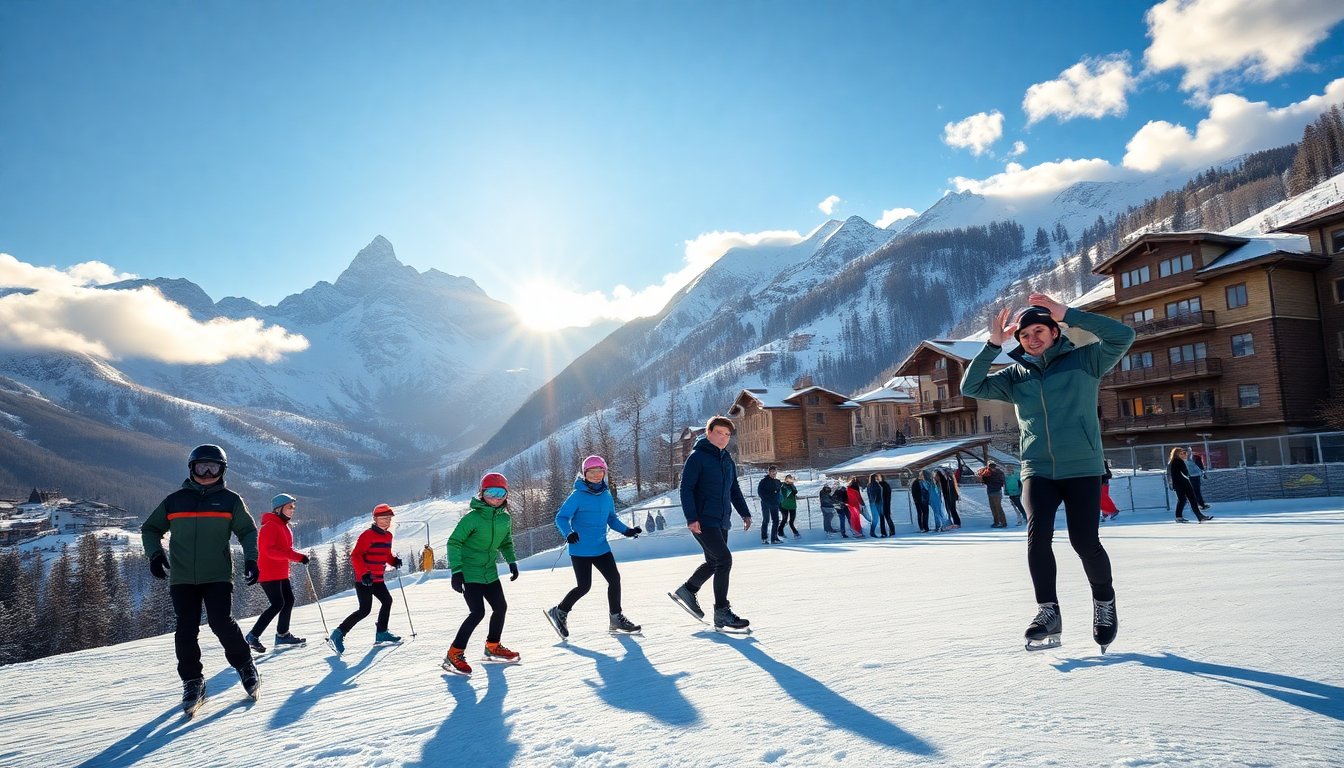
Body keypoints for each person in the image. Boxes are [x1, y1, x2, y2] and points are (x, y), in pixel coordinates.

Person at [961, 293, 1136, 653]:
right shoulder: (1015, 375)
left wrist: (1069, 313)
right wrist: (993, 345)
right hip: (1037, 468)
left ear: (1055, 332)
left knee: (1084, 541)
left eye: (1040, 330)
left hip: (1082, 466)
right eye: (1025, 335)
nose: (1032, 339)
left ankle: (1104, 601)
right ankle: (1048, 611)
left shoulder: (1085, 360)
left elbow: (1123, 336)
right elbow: (970, 387)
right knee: (1037, 537)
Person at [140, 444, 260, 714]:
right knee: (185, 630)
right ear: (191, 469)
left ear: (223, 470)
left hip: (217, 574)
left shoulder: (231, 500)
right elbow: (150, 528)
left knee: (221, 622)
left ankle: (244, 665)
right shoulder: (175, 500)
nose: (207, 472)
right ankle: (193, 681)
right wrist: (155, 555)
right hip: (182, 577)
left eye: (213, 467)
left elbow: (247, 531)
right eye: (201, 466)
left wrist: (251, 558)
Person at [669, 416, 753, 632]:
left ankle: (688, 590)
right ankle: (722, 612)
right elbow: (685, 489)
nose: (724, 438)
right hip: (703, 519)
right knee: (724, 559)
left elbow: (733, 489)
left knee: (714, 562)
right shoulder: (697, 457)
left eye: (727, 434)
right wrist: (691, 518)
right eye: (719, 432)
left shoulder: (727, 460)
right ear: (708, 433)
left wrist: (744, 512)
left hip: (721, 519)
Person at [545, 456, 642, 640]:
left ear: (604, 473)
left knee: (614, 579)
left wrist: (627, 531)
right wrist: (568, 533)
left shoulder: (606, 495)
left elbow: (611, 518)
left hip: (601, 547)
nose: (596, 476)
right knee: (584, 586)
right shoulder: (577, 496)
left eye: (600, 472)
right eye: (591, 472)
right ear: (584, 474)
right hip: (580, 549)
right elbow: (561, 517)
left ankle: (616, 618)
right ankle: (560, 611)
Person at [442, 473, 521, 675]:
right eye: (491, 492)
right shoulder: (472, 518)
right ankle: (454, 653)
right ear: (482, 494)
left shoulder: (505, 518)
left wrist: (512, 561)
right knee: (477, 612)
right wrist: (456, 571)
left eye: (501, 493)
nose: (496, 497)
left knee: (500, 607)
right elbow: (454, 542)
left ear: (506, 495)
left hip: (489, 571)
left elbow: (506, 541)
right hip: (469, 572)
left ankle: (493, 646)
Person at [329, 504, 404, 653]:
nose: (386, 521)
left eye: (389, 518)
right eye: (383, 518)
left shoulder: (388, 536)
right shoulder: (367, 535)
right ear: (375, 519)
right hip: (364, 579)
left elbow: (386, 554)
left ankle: (382, 633)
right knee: (364, 610)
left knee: (387, 601)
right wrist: (363, 573)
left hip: (377, 579)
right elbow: (356, 555)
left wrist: (393, 560)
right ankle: (338, 634)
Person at [244, 493, 310, 654]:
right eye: (289, 507)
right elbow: (270, 551)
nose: (292, 510)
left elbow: (285, 549)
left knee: (288, 600)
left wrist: (298, 557)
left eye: (293, 507)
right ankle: (253, 636)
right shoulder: (270, 526)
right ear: (278, 509)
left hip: (280, 572)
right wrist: (297, 557)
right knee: (277, 603)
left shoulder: (283, 525)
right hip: (268, 572)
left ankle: (282, 634)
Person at [1168, 448, 1213, 523]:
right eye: (1182, 453)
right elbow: (1185, 473)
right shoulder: (1179, 461)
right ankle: (1199, 516)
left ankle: (1179, 517)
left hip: (1178, 484)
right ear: (1177, 454)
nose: (1185, 455)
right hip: (1183, 483)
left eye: (1184, 453)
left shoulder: (1172, 461)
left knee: (1182, 500)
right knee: (1192, 499)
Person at [757, 465, 783, 545]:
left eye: (774, 472)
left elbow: (780, 492)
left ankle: (774, 538)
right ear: (769, 472)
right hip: (766, 504)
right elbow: (760, 492)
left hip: (774, 504)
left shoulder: (778, 482)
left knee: (775, 521)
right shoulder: (764, 481)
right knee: (766, 520)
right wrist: (767, 499)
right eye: (772, 472)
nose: (773, 473)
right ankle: (764, 538)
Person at [980, 462, 1008, 528]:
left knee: (995, 507)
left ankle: (1000, 522)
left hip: (993, 491)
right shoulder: (999, 472)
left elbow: (985, 481)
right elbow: (1002, 482)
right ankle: (999, 522)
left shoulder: (989, 472)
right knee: (996, 507)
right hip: (995, 491)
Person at [779, 474, 800, 538]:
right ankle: (780, 532)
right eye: (787, 479)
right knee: (784, 520)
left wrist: (791, 486)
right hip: (784, 505)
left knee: (791, 521)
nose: (788, 481)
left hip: (792, 506)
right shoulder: (783, 486)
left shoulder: (792, 486)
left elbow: (795, 492)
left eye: (790, 479)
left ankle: (795, 533)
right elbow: (784, 493)